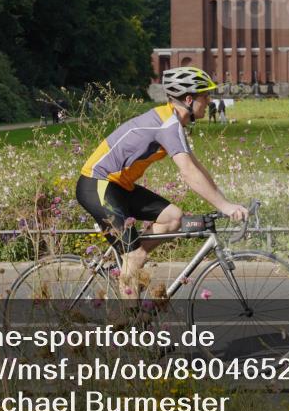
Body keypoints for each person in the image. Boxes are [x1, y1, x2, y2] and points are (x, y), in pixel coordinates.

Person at [76, 67, 248, 297]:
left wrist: (226, 202)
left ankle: (125, 269)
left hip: (118, 186)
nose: (209, 101)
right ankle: (127, 325)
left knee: (173, 217)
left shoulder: (172, 121)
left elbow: (197, 168)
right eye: (205, 96)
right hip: (97, 183)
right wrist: (225, 207)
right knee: (134, 255)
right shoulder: (168, 124)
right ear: (189, 99)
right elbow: (187, 172)